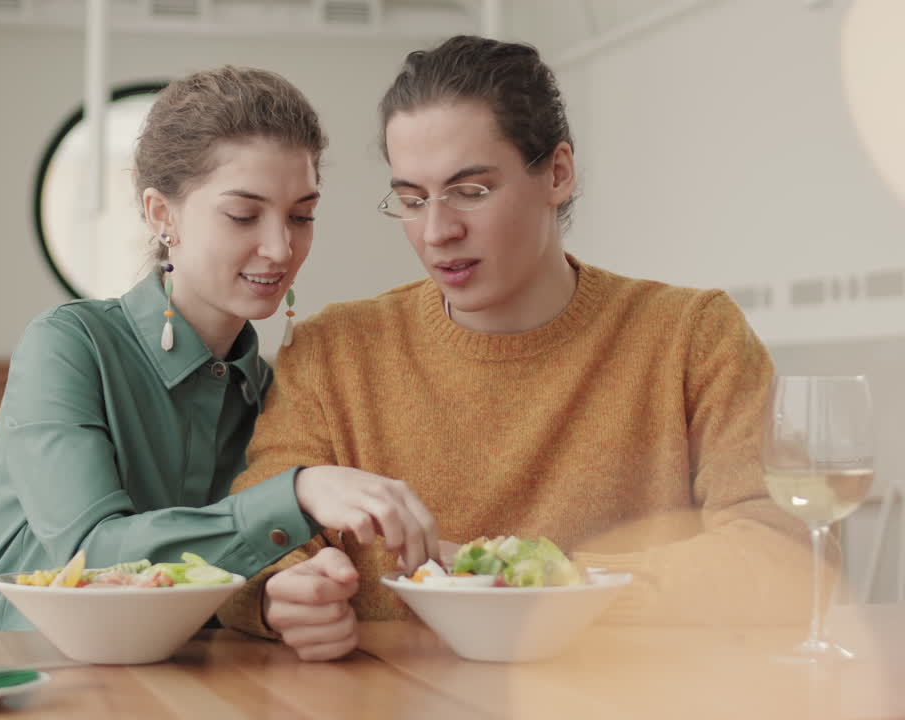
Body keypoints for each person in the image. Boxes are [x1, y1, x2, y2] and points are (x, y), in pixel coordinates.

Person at [215, 36, 813, 660]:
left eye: (471, 191)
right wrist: (275, 594)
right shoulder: (333, 350)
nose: (438, 231)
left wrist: (534, 579)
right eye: (414, 200)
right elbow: (247, 544)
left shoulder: (693, 336)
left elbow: (783, 554)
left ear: (557, 173)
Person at [0, 66, 436, 631]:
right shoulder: (66, 346)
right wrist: (298, 493)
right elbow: (90, 559)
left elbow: (237, 580)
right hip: (12, 682)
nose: (281, 247)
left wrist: (285, 588)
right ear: (163, 215)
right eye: (243, 215)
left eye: (301, 216)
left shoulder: (275, 394)